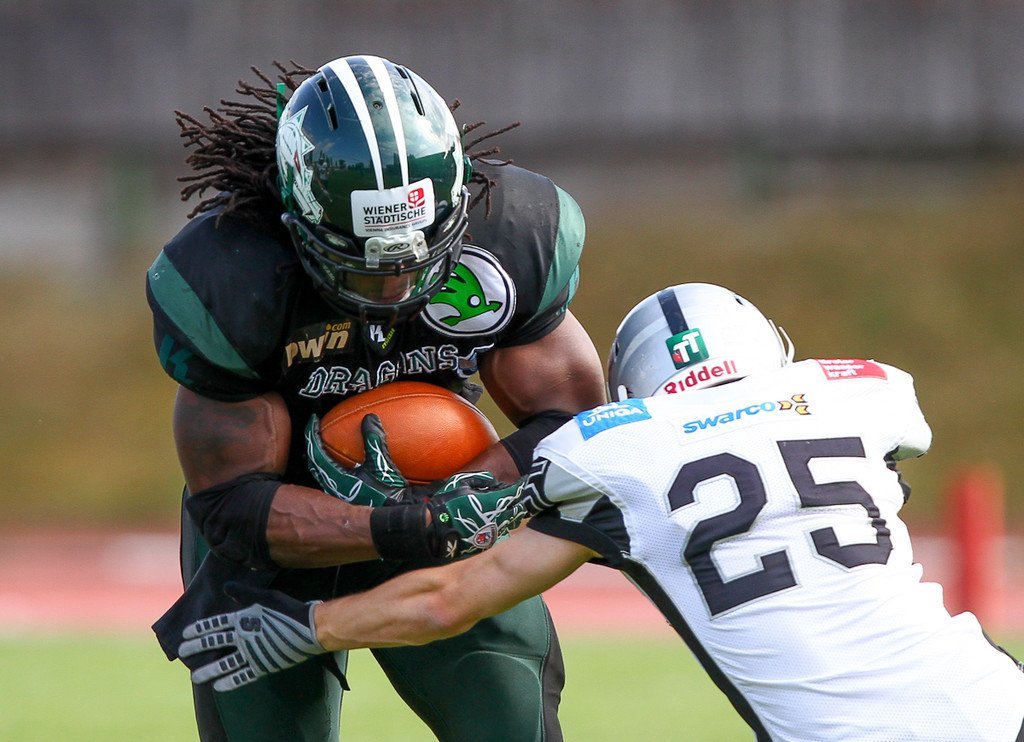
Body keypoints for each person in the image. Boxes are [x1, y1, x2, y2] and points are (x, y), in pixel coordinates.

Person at [180, 282, 1024, 741]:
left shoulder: (618, 452)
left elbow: (448, 598)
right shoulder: (864, 391)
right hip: (998, 698)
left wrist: (313, 626)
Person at [146, 54, 607, 741]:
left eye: (417, 258)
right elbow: (232, 505)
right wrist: (402, 524)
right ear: (296, 220)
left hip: (449, 497)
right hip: (278, 542)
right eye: (363, 262)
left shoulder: (511, 234)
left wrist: (466, 499)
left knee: (509, 726)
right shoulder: (230, 275)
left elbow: (574, 426)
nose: (395, 284)